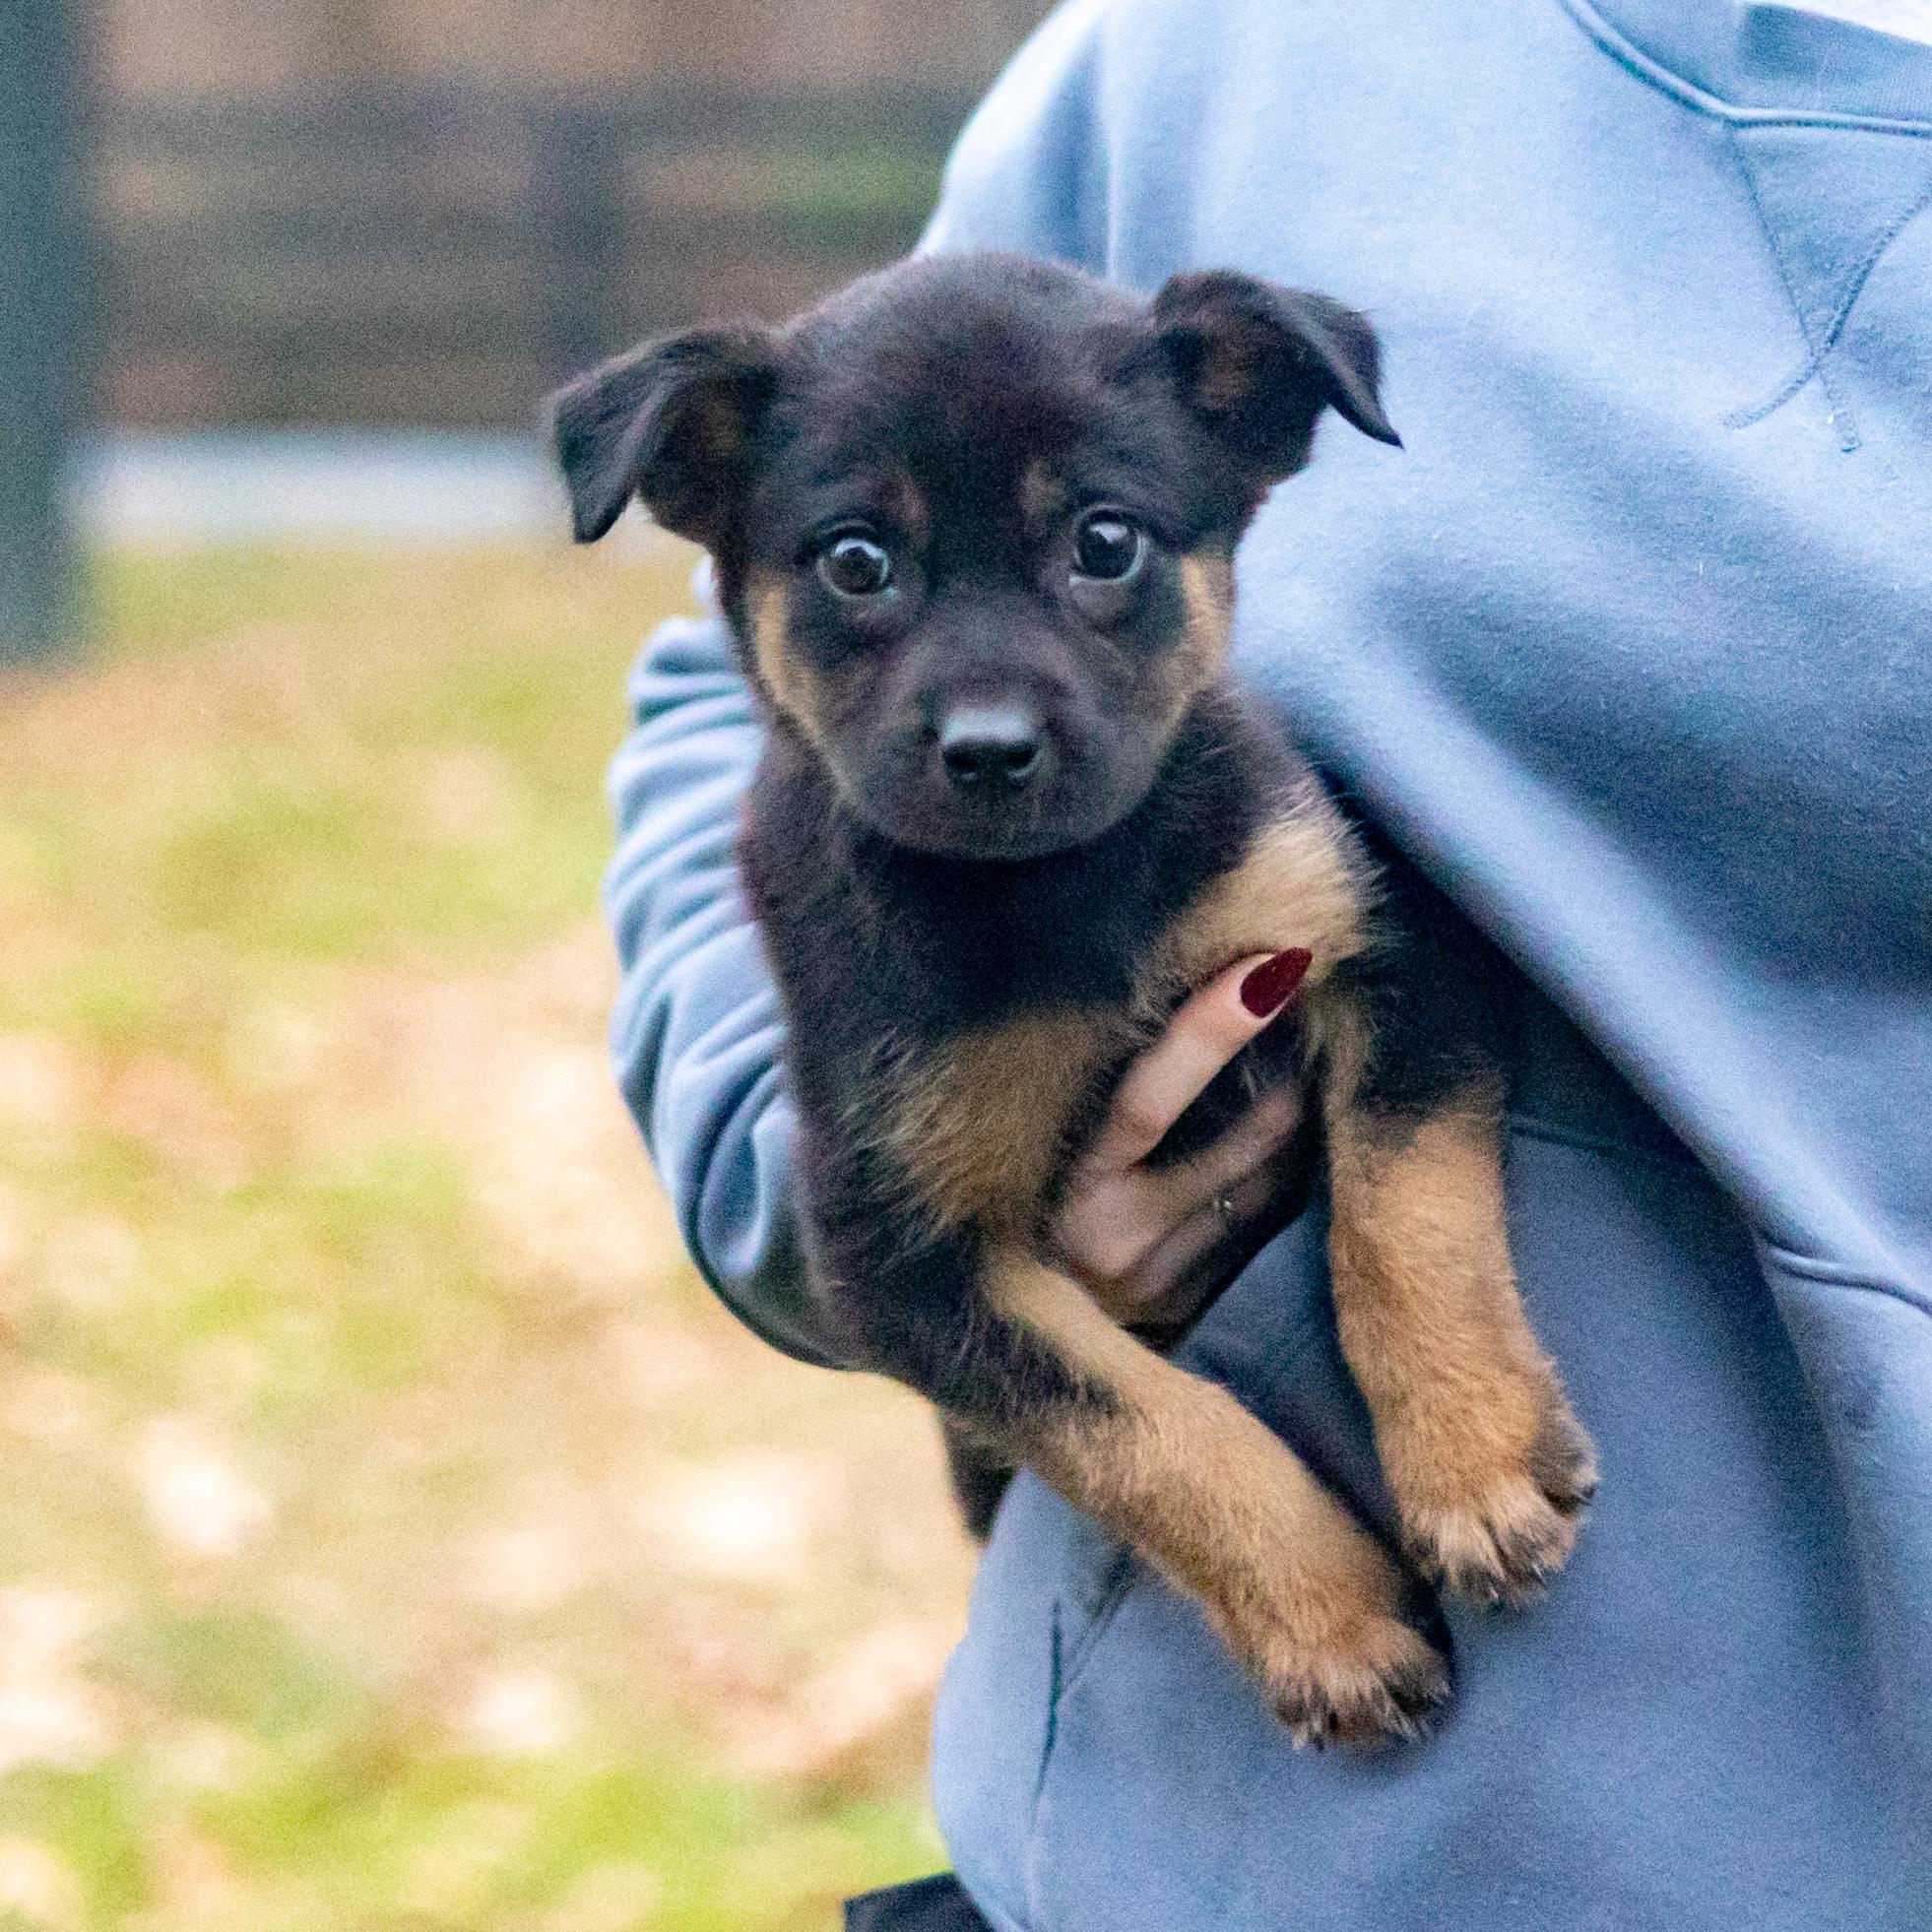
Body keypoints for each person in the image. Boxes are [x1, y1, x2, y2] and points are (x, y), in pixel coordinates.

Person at [602, 1, 1932, 1925]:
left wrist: (1427, 1312)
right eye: (869, 577)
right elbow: (693, 718)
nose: (984, 707)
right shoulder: (1212, 47)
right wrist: (783, 1139)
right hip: (1193, 1854)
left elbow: (1403, 999)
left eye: (1100, 552)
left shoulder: (1244, 805)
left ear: (1249, 459)